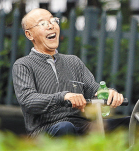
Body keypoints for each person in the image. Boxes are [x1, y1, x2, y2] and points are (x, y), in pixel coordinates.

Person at [12, 8, 132, 138]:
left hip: (82, 126)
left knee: (138, 121)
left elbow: (94, 89)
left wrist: (109, 93)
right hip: (45, 131)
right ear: (29, 35)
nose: (51, 25)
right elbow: (28, 100)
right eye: (43, 23)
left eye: (53, 20)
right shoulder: (23, 65)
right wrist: (63, 96)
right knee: (65, 127)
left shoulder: (73, 62)